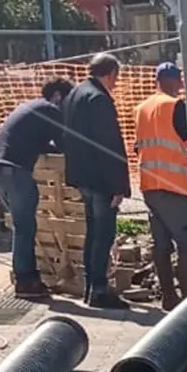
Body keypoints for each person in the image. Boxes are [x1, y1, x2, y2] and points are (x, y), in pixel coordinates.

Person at [0, 77, 73, 299]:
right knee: (25, 228)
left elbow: (40, 143)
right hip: (16, 172)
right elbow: (65, 144)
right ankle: (26, 281)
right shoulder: (50, 110)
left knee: (21, 226)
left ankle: (25, 277)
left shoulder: (31, 108)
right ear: (58, 96)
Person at [62, 53, 131, 309]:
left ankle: (91, 287)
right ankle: (99, 291)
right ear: (110, 73)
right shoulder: (99, 100)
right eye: (116, 77)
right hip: (102, 180)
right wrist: (118, 185)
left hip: (83, 177)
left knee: (93, 233)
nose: (116, 82)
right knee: (103, 234)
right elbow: (109, 146)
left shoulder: (75, 95)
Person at [134, 62, 187, 311]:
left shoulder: (141, 108)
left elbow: (139, 146)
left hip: (149, 186)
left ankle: (169, 298)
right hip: (174, 186)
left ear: (156, 80)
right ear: (176, 81)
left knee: (161, 245)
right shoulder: (176, 106)